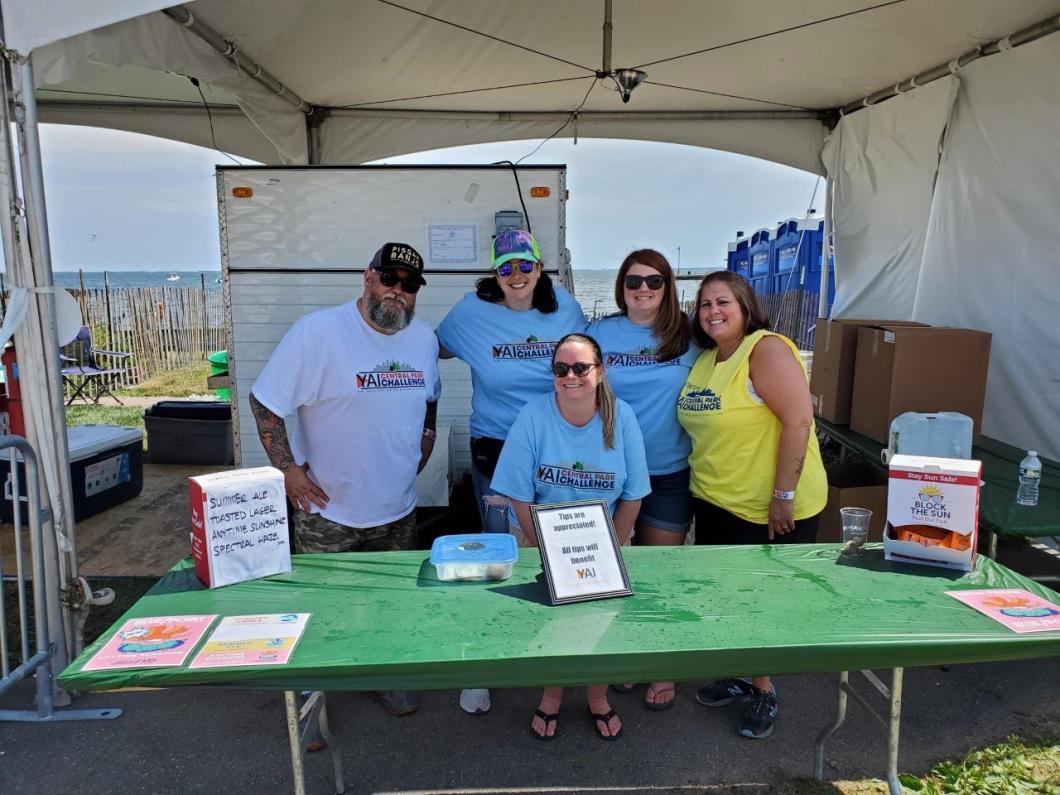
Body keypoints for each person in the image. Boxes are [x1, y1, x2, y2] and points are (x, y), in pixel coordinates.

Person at [249, 242, 440, 720]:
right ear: (367, 277)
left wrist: (427, 437)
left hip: (397, 510)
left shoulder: (423, 340)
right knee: (318, 612)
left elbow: (430, 396)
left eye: (409, 284)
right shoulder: (319, 332)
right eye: (389, 278)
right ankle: (313, 706)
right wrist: (289, 471)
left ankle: (386, 678)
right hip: (328, 513)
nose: (398, 291)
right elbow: (265, 403)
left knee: (392, 605)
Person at [436, 229, 586, 715]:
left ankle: (557, 652)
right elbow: (430, 348)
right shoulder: (471, 312)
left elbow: (585, 364)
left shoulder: (564, 307)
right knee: (498, 548)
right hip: (497, 445)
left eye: (525, 265)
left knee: (554, 542)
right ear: (494, 275)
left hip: (555, 441)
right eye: (506, 268)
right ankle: (485, 665)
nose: (516, 275)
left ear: (540, 268)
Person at [676, 271, 826, 739]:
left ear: (745, 308)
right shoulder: (705, 360)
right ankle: (743, 674)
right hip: (717, 501)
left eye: (723, 302)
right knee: (726, 599)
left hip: (769, 508)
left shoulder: (765, 349)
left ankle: (765, 689)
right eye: (704, 304)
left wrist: (783, 495)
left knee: (763, 603)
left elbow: (800, 421)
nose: (713, 311)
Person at [491, 333, 650, 741]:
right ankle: (551, 697)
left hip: (607, 536)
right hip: (539, 533)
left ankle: (598, 697)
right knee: (552, 619)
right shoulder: (534, 414)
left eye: (581, 367)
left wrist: (610, 549)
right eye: (562, 368)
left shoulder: (623, 417)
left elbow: (633, 493)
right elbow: (519, 494)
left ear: (600, 371)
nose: (571, 376)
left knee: (602, 620)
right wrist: (549, 555)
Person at [587, 248, 697, 711]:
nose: (644, 290)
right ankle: (622, 657)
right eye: (634, 282)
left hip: (668, 472)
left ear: (668, 286)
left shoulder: (690, 336)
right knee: (609, 572)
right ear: (621, 287)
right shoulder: (599, 333)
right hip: (607, 475)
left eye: (654, 281)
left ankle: (661, 661)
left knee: (658, 573)